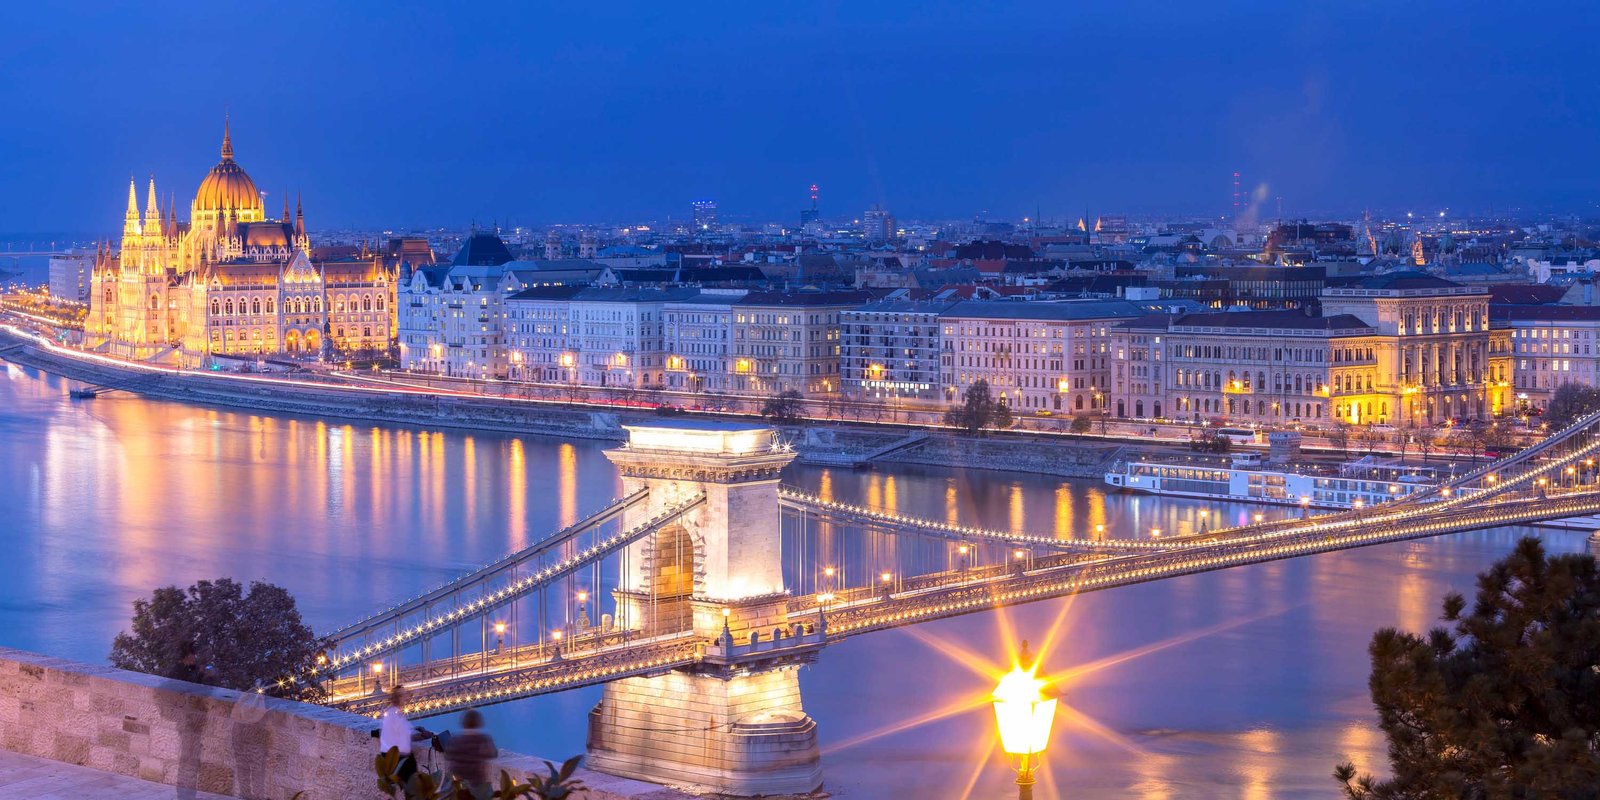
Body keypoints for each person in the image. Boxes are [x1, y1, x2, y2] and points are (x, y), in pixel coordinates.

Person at [378, 685, 430, 786]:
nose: (406, 697)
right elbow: (405, 736)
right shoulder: (394, 715)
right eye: (402, 695)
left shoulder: (392, 712)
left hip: (396, 758)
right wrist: (423, 736)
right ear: (397, 698)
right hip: (399, 761)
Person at [443, 708, 499, 788]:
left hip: (455, 784)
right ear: (479, 722)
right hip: (476, 783)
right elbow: (493, 754)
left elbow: (447, 755)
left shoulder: (454, 740)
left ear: (463, 722)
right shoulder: (484, 739)